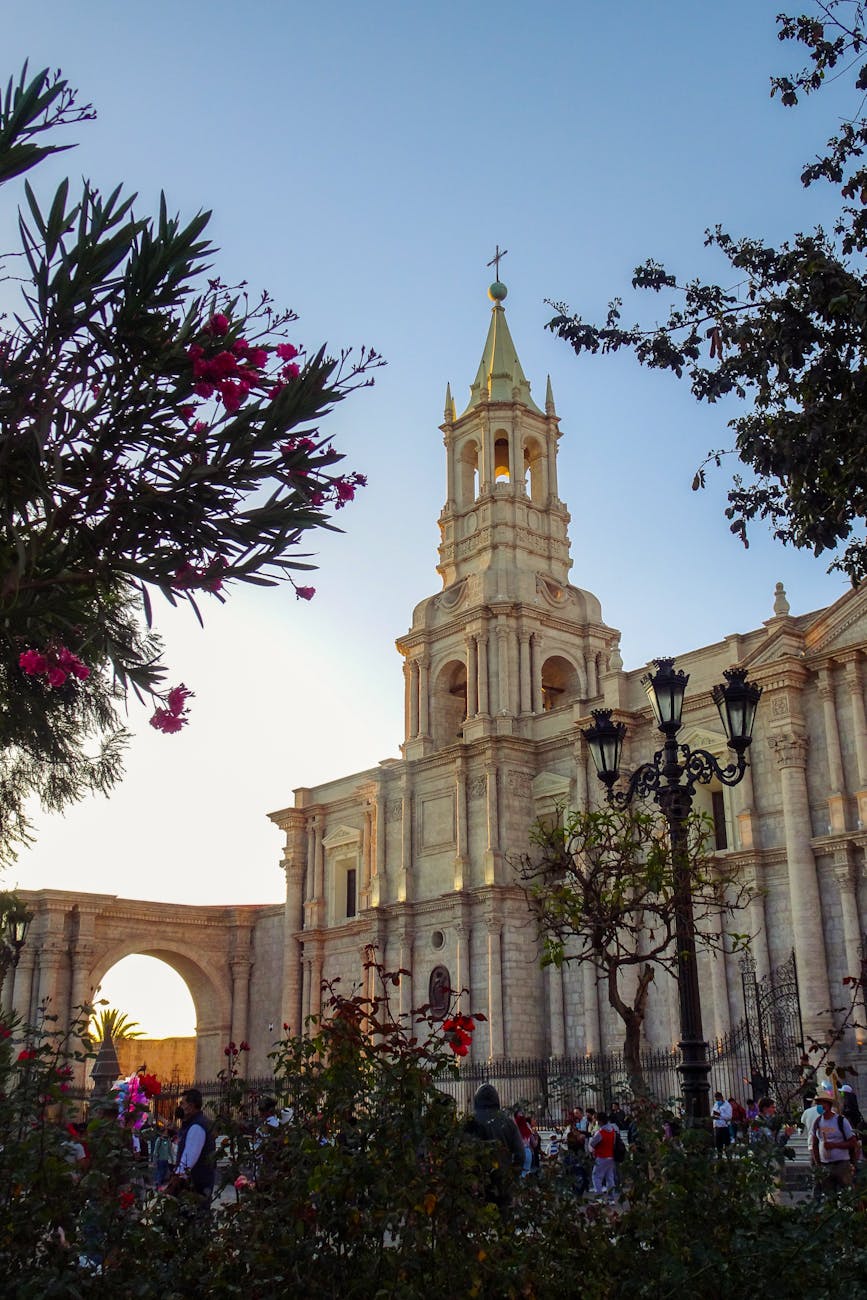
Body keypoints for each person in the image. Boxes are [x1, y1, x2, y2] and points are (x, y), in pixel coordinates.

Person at [463, 1084, 525, 1214]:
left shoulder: (469, 1122)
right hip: (503, 1184)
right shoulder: (508, 1123)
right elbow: (520, 1155)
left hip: (477, 1185)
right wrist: (512, 1177)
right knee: (504, 1226)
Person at [169, 1088, 216, 1205]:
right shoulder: (192, 1124)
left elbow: (189, 1158)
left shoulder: (196, 1127)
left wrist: (176, 1179)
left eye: (182, 1104)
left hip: (195, 1185)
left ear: (190, 1106)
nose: (179, 1107)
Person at [810, 1093, 856, 1194]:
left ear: (829, 1105)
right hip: (825, 1165)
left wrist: (834, 1145)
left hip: (841, 1164)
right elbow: (814, 1144)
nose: (820, 1107)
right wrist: (818, 1164)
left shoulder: (841, 1121)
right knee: (829, 1197)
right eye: (818, 1104)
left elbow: (853, 1142)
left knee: (849, 1193)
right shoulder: (817, 1122)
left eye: (822, 1104)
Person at [589, 1111, 619, 1201]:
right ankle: (611, 1199)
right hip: (610, 1156)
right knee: (610, 1178)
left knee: (596, 1177)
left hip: (601, 1156)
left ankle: (599, 1198)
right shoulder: (612, 1130)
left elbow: (592, 1143)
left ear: (600, 1121)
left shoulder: (600, 1132)